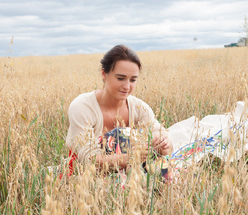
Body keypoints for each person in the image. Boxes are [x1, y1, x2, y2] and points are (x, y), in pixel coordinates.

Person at [66, 45, 173, 175]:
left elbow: (165, 144)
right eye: (120, 78)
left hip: (134, 173)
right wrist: (129, 158)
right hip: (90, 177)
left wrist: (163, 143)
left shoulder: (140, 109)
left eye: (133, 80)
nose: (127, 86)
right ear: (104, 73)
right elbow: (88, 160)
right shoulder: (82, 107)